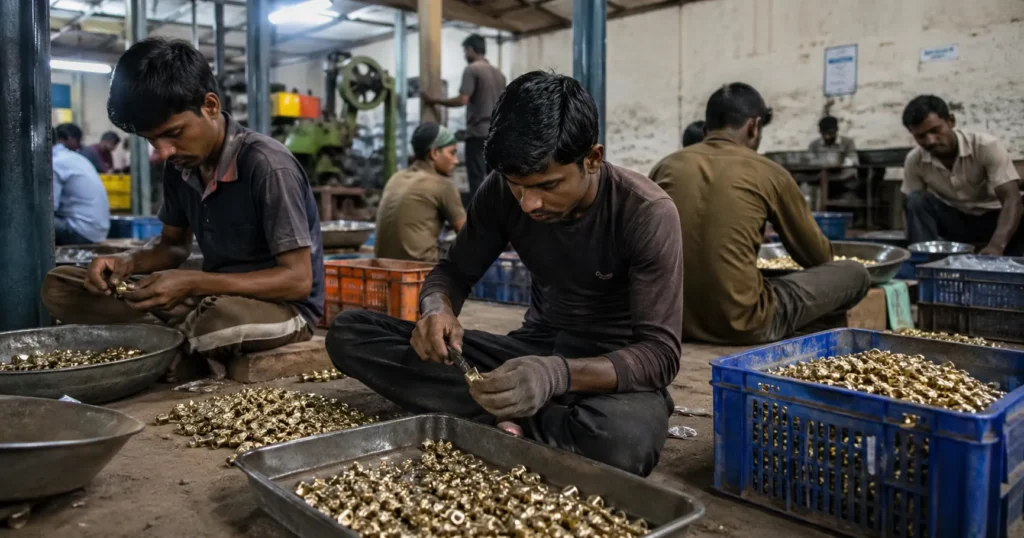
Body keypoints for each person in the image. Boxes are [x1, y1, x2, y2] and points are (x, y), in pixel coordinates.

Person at [329, 71, 683, 476]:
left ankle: (509, 413)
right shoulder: (501, 191)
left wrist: (556, 375)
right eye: (518, 186)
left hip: (608, 368)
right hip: (531, 349)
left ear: (593, 159)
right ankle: (530, 417)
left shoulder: (646, 212)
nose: (530, 203)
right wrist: (436, 310)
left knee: (622, 442)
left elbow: (659, 355)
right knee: (350, 333)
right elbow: (453, 271)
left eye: (548, 185)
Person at [40, 38, 324, 377]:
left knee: (217, 322)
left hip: (282, 309)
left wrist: (191, 282)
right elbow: (172, 246)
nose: (163, 152)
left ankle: (170, 338)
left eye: (173, 133)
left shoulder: (267, 165)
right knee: (62, 285)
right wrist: (125, 264)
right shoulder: (180, 166)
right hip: (209, 294)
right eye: (151, 140)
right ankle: (174, 337)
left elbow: (296, 281)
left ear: (210, 106)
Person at [649, 82, 870, 345]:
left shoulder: (665, 166)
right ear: (753, 126)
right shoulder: (769, 172)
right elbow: (818, 258)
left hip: (669, 319)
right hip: (744, 323)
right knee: (855, 274)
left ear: (707, 128)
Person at [901, 95, 1023, 255]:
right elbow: (910, 209)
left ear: (951, 121)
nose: (930, 141)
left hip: (995, 220)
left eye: (935, 131)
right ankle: (923, 263)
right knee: (916, 199)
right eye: (921, 136)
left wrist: (996, 246)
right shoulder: (915, 160)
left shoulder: (985, 146)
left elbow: (1011, 199)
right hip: (957, 222)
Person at [421, 34, 506, 199]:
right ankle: (498, 221)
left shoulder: (472, 69)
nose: (464, 56)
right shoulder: (499, 75)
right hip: (498, 134)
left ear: (471, 50)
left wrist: (435, 101)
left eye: (465, 51)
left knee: (477, 180)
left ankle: (480, 221)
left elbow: (462, 99)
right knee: (495, 180)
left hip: (478, 134)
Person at [375, 123, 466, 262]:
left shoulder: (396, 177)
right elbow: (468, 236)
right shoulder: (443, 185)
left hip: (382, 266)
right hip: (420, 269)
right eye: (452, 153)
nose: (456, 160)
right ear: (434, 153)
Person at [52, 127, 111, 245]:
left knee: (29, 220)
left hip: (80, 232)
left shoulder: (54, 163)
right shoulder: (72, 157)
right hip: (98, 231)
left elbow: (49, 208)